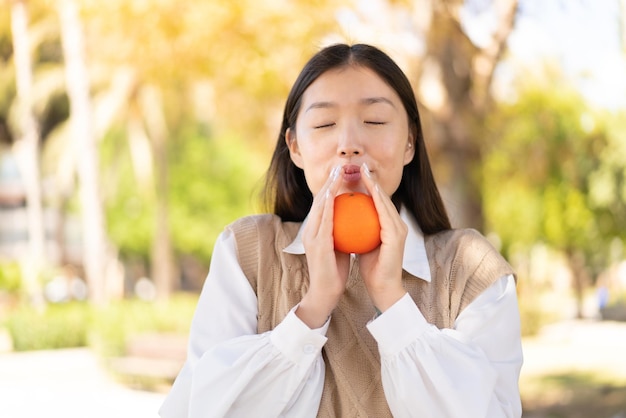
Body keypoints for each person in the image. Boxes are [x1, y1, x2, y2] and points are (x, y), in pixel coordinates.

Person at [159, 43, 523, 418]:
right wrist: (313, 308)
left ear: (410, 142)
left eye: (375, 121)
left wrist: (394, 301)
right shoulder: (247, 253)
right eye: (324, 125)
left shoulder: (470, 269)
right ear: (295, 147)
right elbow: (201, 407)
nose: (349, 145)